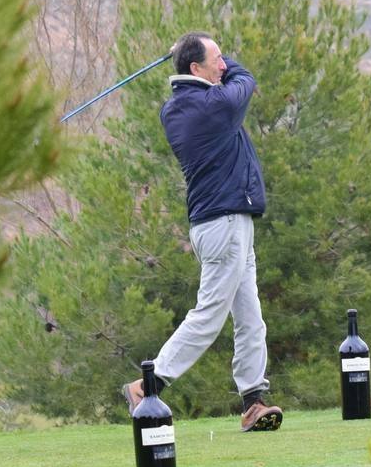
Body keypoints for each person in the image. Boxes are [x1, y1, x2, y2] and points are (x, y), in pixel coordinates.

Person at [121, 32, 283, 433]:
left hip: (227, 222)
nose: (224, 64)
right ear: (196, 69)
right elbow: (245, 78)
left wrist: (198, 50)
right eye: (216, 58)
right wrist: (215, 55)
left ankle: (254, 401)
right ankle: (147, 384)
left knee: (250, 316)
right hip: (223, 223)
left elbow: (227, 76)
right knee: (209, 315)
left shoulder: (174, 108)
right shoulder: (214, 105)